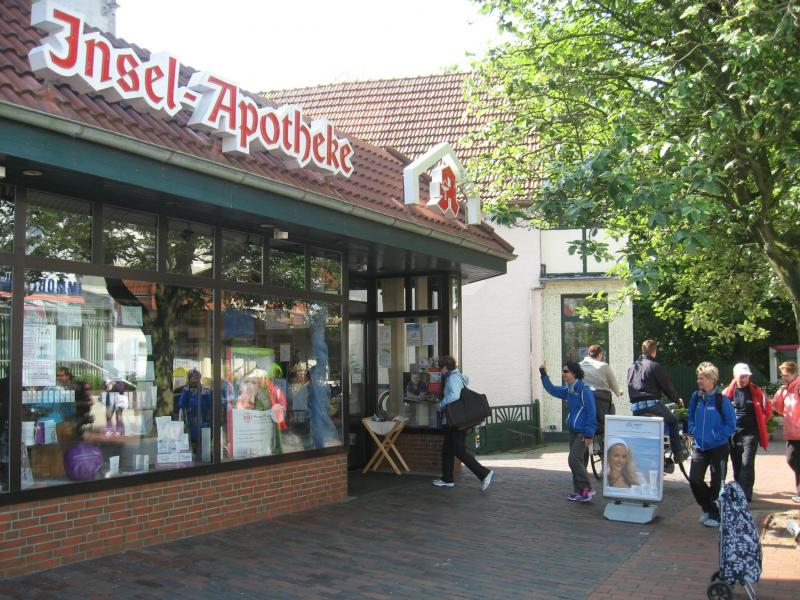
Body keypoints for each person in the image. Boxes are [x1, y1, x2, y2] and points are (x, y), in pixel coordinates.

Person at [433, 356, 493, 491]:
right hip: (456, 421)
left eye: (441, 368)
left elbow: (454, 395)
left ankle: (484, 473)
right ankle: (447, 479)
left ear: (446, 367)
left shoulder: (453, 378)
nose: (440, 370)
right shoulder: (457, 377)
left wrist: (441, 405)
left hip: (456, 422)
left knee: (459, 451)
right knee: (447, 449)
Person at [687, 362, 736, 527]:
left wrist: (716, 435)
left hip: (718, 447)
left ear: (711, 380)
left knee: (717, 483)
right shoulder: (696, 397)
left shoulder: (722, 400)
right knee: (694, 479)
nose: (698, 381)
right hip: (699, 446)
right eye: (698, 378)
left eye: (701, 378)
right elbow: (690, 416)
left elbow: (731, 424)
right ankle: (707, 508)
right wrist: (693, 429)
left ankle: (715, 515)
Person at [540, 361, 597, 502]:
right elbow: (552, 389)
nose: (563, 374)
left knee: (573, 459)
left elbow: (591, 412)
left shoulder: (584, 390)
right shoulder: (569, 390)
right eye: (563, 371)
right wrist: (543, 374)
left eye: (566, 371)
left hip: (583, 432)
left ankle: (587, 489)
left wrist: (589, 434)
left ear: (574, 373)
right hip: (573, 431)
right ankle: (579, 491)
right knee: (578, 461)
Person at [627, 339, 689, 463]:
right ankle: (678, 454)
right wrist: (677, 400)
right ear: (654, 351)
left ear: (642, 351)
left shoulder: (632, 367)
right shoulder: (654, 366)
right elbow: (667, 386)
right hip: (652, 405)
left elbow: (629, 386)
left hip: (636, 408)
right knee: (672, 421)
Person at [722, 362, 771, 502]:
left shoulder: (756, 391)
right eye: (741, 376)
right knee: (737, 464)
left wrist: (761, 420)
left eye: (746, 376)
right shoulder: (727, 393)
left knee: (747, 463)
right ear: (735, 376)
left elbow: (767, 410)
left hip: (750, 433)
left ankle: (745, 495)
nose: (744, 379)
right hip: (733, 434)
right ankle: (738, 491)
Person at [772, 360, 800, 503]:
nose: (783, 378)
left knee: (795, 461)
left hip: (798, 431)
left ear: (795, 374)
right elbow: (778, 408)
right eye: (782, 375)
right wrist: (780, 392)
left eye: (786, 375)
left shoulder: (798, 388)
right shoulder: (786, 389)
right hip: (791, 432)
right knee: (793, 460)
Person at [580, 344, 623, 434]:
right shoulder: (603, 366)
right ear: (600, 354)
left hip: (584, 398)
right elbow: (613, 383)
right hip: (601, 400)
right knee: (608, 421)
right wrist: (619, 392)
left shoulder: (579, 366)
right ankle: (605, 437)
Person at [56, 367, 93, 436]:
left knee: (70, 433)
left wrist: (75, 403)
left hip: (78, 415)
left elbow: (91, 402)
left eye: (61, 376)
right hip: (67, 415)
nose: (58, 378)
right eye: (57, 376)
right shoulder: (60, 387)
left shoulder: (76, 387)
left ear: (67, 376)